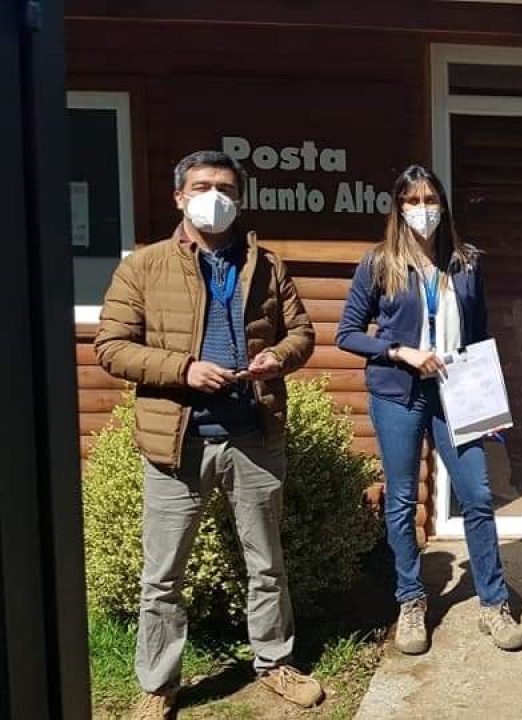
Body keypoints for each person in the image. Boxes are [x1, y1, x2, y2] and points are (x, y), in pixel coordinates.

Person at [95, 150, 322, 719]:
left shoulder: (265, 264)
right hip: (178, 442)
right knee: (163, 574)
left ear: (239, 200)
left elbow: (301, 333)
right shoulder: (143, 267)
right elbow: (112, 347)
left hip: (253, 437)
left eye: (225, 188)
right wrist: (184, 369)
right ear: (179, 196)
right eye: (202, 186)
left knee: (266, 563)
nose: (214, 197)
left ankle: (274, 661)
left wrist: (278, 357)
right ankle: (158, 683)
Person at [337, 165, 522, 656]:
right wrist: (399, 351)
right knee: (402, 500)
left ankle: (493, 603)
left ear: (443, 204)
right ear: (399, 207)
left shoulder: (466, 262)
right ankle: (411, 600)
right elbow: (347, 333)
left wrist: (487, 401)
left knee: (477, 495)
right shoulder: (379, 263)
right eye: (413, 200)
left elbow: (479, 332)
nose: (423, 209)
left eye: (430, 199)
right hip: (397, 393)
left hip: (456, 392)